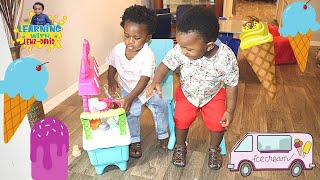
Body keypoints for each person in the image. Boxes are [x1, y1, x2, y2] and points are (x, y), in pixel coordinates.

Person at [146, 6, 239, 169]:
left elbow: (232, 84)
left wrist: (229, 111)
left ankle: (214, 149)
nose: (183, 51)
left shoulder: (226, 57)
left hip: (213, 95)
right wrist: (156, 81)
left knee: (219, 123)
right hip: (187, 93)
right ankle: (180, 146)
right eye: (181, 45)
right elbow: (166, 64)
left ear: (209, 46)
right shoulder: (182, 50)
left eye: (188, 48)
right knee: (180, 119)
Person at [107, 5, 169, 158]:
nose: (130, 41)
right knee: (130, 114)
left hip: (147, 89)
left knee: (161, 106)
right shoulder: (118, 49)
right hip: (128, 88)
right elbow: (112, 64)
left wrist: (131, 97)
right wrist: (110, 79)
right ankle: (134, 140)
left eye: (136, 38)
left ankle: (163, 134)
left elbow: (144, 79)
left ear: (147, 38)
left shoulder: (148, 55)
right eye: (127, 35)